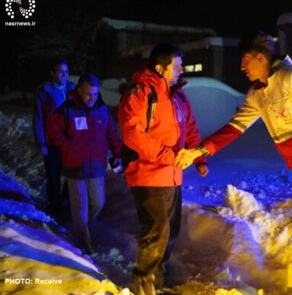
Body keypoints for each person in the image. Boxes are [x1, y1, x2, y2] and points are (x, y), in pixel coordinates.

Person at [175, 32, 292, 295]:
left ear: (261, 57)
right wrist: (201, 150)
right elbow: (235, 127)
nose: (242, 67)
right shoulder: (258, 93)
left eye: (246, 60)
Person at [118, 43, 209, 295]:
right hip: (148, 173)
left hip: (172, 174)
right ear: (160, 68)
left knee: (169, 230)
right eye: (176, 66)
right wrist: (168, 156)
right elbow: (132, 133)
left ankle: (157, 277)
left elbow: (189, 127)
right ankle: (145, 282)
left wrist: (199, 157)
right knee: (156, 231)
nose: (181, 70)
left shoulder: (178, 96)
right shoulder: (141, 93)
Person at [48, 73, 122, 253]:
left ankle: (81, 226)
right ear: (79, 90)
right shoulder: (66, 110)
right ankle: (84, 242)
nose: (92, 98)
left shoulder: (102, 110)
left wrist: (118, 152)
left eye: (95, 94)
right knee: (79, 204)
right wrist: (68, 147)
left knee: (98, 202)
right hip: (75, 166)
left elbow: (111, 132)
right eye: (88, 94)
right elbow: (53, 130)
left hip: (97, 165)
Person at [33, 59, 76, 218]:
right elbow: (38, 118)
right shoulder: (44, 93)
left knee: (72, 173)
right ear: (52, 73)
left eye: (66, 71)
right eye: (60, 71)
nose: (64, 75)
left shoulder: (73, 90)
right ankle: (55, 207)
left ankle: (65, 200)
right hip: (51, 141)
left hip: (69, 141)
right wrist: (41, 141)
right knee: (53, 174)